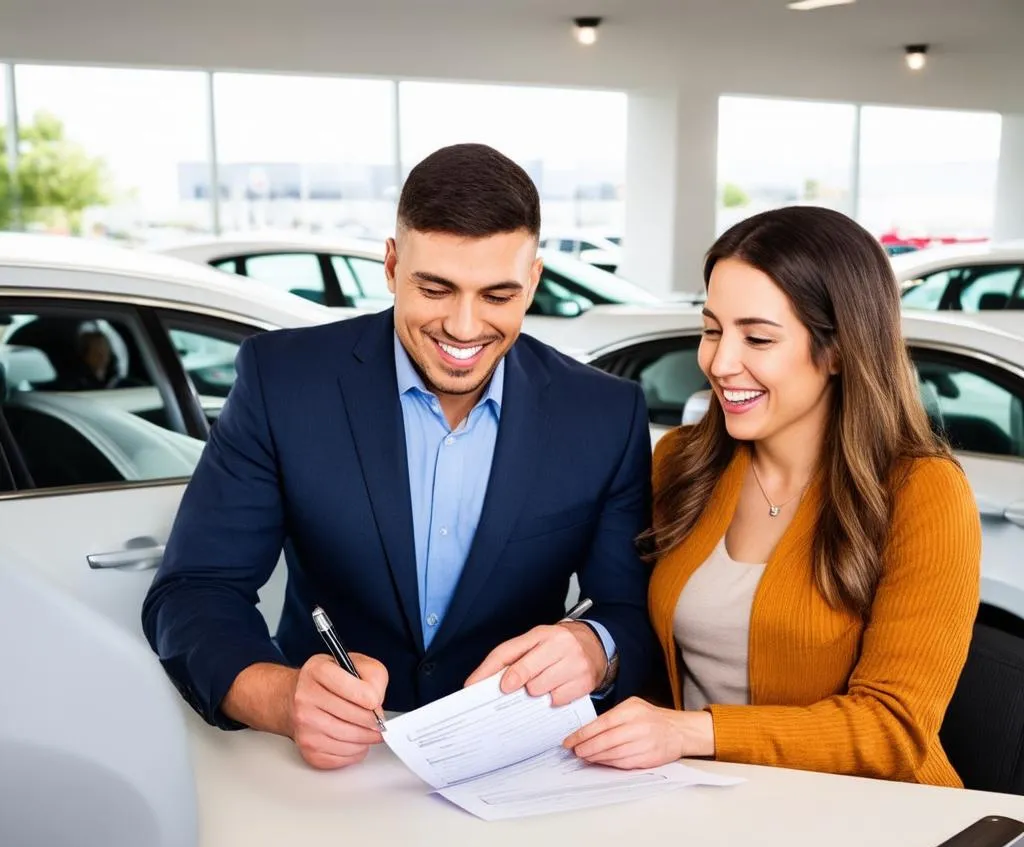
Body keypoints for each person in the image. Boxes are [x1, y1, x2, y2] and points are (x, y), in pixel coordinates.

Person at [143, 143, 657, 770]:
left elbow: (632, 613)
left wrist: (594, 646)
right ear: (391, 266)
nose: (465, 328)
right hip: (323, 771)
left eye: (498, 296)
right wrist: (280, 697)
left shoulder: (605, 414)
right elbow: (195, 589)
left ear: (535, 282)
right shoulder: (283, 381)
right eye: (436, 288)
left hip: (512, 765)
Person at [564, 206, 981, 786]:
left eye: (756, 337)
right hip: (705, 804)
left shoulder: (924, 492)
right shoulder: (683, 462)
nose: (719, 362)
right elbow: (646, 647)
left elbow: (895, 728)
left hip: (878, 824)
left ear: (838, 350)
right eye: (712, 330)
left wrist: (693, 732)